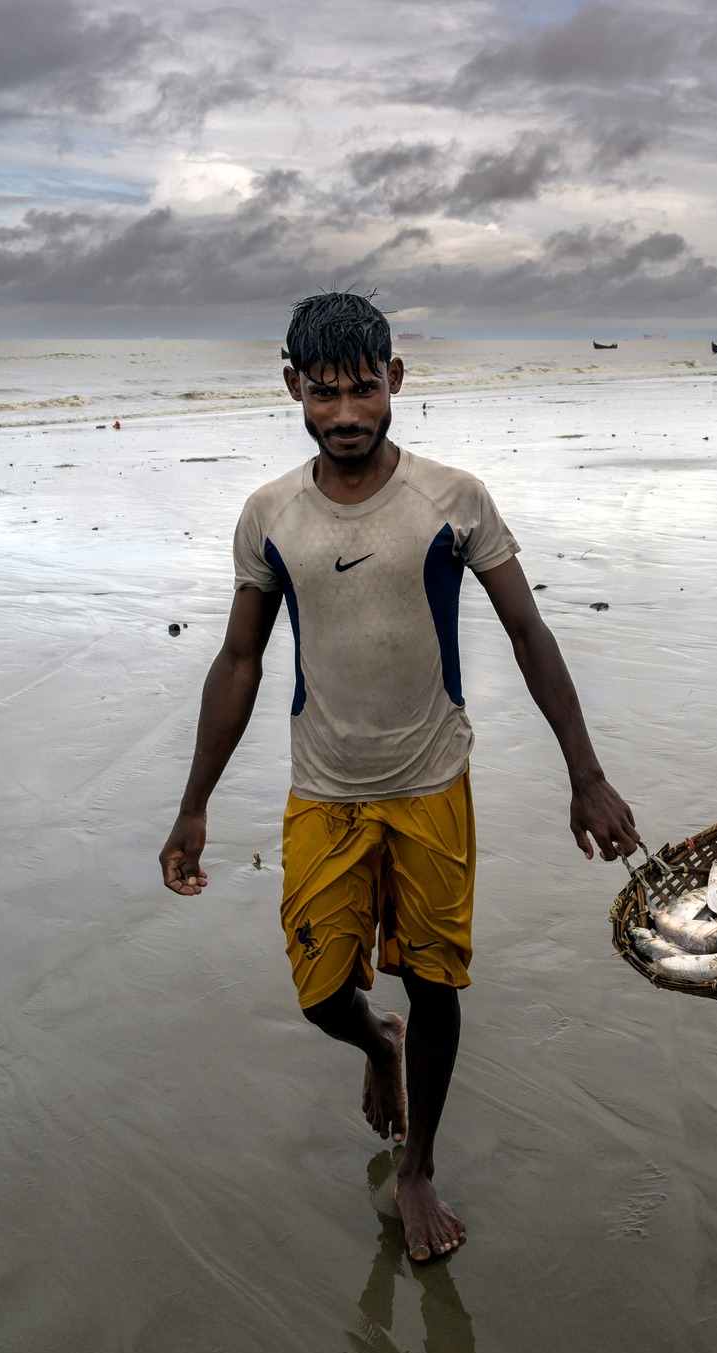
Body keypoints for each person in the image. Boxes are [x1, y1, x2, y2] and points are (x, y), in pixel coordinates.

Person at [159, 292, 640, 1263]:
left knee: (433, 983)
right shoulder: (268, 517)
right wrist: (193, 804)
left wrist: (585, 775)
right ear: (291, 384)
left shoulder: (450, 497)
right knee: (319, 992)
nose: (346, 414)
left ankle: (418, 1165)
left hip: (429, 785)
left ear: (395, 381)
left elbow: (525, 630)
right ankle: (373, 1047)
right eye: (325, 392)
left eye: (364, 389)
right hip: (323, 790)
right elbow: (239, 661)